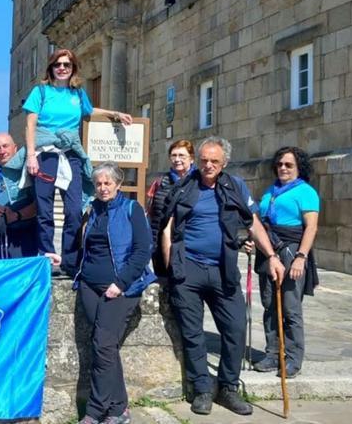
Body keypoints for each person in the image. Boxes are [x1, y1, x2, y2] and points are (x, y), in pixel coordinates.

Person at [161, 137, 284, 416]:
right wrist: (172, 267)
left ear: (224, 163)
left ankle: (228, 387)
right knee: (193, 333)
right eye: (204, 160)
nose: (208, 165)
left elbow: (253, 223)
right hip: (189, 268)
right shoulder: (184, 186)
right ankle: (202, 389)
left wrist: (272, 256)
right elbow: (168, 227)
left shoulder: (235, 186)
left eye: (214, 161)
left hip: (223, 269)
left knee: (235, 328)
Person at [23, 48, 132, 269]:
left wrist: (114, 114)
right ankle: (46, 257)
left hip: (71, 153)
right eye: (58, 64)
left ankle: (70, 260)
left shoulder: (78, 94)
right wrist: (31, 156)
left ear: (73, 68)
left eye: (67, 64)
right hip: (45, 154)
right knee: (44, 210)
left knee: (74, 209)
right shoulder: (41, 92)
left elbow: (89, 110)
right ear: (51, 68)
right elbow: (30, 124)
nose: (62, 68)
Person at [67, 162, 156, 424]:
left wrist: (121, 283)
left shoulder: (131, 209)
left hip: (119, 288)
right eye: (98, 184)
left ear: (118, 184)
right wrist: (66, 265)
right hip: (89, 286)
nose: (103, 188)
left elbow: (142, 249)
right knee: (105, 346)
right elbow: (83, 248)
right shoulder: (92, 210)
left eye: (108, 183)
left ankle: (95, 411)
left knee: (103, 345)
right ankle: (119, 408)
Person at [251, 147, 320, 378]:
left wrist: (301, 257)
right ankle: (273, 354)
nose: (283, 168)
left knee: (290, 307)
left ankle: (292, 358)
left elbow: (311, 227)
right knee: (270, 305)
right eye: (280, 164)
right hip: (268, 251)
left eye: (289, 165)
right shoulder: (271, 190)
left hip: (291, 251)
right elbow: (261, 223)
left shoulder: (306, 192)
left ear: (299, 168)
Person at [0, 133, 38, 258]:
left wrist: (16, 215)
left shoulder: (28, 170)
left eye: (5, 146)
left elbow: (38, 205)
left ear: (15, 148)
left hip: (25, 235)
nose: (2, 151)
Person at [146, 139, 196, 275]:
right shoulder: (160, 182)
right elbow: (152, 215)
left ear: (191, 159)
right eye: (174, 155)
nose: (177, 159)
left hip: (189, 247)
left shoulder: (199, 182)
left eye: (182, 156)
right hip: (161, 246)